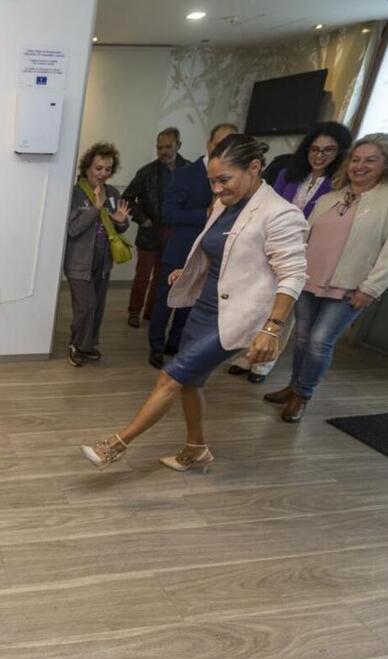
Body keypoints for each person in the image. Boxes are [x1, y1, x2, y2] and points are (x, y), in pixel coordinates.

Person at [80, 135, 308, 472]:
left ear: (255, 168)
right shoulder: (223, 204)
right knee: (190, 382)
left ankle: (116, 444)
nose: (216, 189)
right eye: (212, 181)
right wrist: (189, 273)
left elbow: (293, 275)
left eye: (224, 179)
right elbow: (219, 251)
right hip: (204, 308)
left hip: (235, 317)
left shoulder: (280, 214)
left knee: (170, 377)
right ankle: (196, 448)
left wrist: (272, 328)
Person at [264, 133, 388, 422]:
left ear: (387, 164)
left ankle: (303, 395)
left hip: (350, 287)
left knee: (320, 341)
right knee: (302, 338)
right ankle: (293, 386)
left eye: (370, 160)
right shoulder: (330, 197)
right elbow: (305, 236)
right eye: (356, 160)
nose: (360, 166)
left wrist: (372, 288)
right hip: (309, 280)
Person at [229, 122, 353, 383]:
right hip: (270, 246)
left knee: (282, 308)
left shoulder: (340, 186)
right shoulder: (287, 175)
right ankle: (246, 354)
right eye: (314, 149)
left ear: (340, 153)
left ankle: (264, 363)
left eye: (328, 150)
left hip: (305, 253)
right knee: (258, 303)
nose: (319, 156)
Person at [147, 123, 238, 369]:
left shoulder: (237, 179)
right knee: (165, 301)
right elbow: (169, 214)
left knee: (190, 303)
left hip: (212, 254)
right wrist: (205, 213)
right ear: (210, 144)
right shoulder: (185, 173)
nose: (224, 148)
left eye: (231, 143)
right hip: (180, 249)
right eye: (220, 143)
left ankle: (175, 344)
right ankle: (156, 346)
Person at [64, 143, 131, 367]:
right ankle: (76, 345)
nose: (103, 173)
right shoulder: (74, 193)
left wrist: (122, 222)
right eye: (98, 168)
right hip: (79, 262)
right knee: (87, 306)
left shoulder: (112, 193)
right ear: (87, 167)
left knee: (98, 307)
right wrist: (95, 208)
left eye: (108, 169)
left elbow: (120, 226)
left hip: (103, 262)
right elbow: (72, 228)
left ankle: (88, 345)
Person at [121, 128, 189, 329]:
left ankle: (151, 312)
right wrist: (143, 219)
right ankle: (134, 312)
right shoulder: (147, 172)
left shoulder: (190, 171)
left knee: (163, 277)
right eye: (160, 147)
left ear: (178, 145)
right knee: (142, 276)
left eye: (168, 147)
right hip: (150, 232)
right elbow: (127, 198)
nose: (164, 151)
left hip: (174, 232)